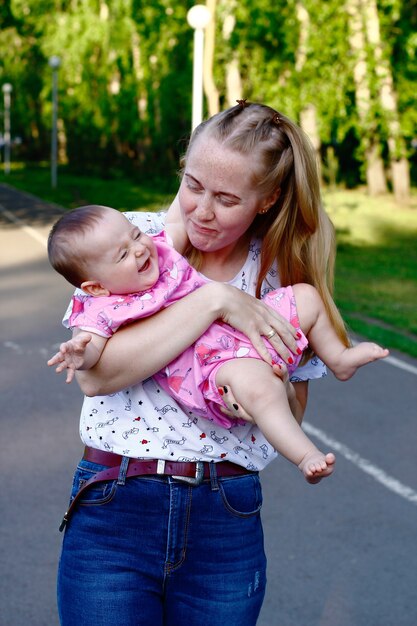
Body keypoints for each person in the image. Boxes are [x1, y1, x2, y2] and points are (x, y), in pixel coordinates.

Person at [53, 102, 381, 626]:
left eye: (227, 198)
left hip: (225, 516)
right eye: (194, 185)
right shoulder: (129, 241)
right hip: (115, 505)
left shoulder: (278, 277)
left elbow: (290, 414)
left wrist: (257, 387)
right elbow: (96, 375)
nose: (202, 210)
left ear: (267, 199)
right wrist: (215, 301)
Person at [48, 204, 388, 481]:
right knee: (260, 387)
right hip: (210, 363)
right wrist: (80, 352)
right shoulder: (102, 306)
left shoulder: (161, 245)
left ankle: (339, 358)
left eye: (136, 234)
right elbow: (92, 354)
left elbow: (182, 211)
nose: (139, 248)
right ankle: (305, 455)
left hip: (245, 324)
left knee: (306, 297)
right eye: (122, 255)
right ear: (95, 287)